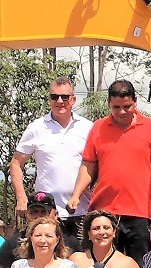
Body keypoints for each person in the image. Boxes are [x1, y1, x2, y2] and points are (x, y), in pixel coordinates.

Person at [69, 79, 151, 263]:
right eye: (116, 107)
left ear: (135, 102)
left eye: (127, 106)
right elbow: (89, 164)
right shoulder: (98, 128)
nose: (122, 112)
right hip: (105, 211)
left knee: (141, 267)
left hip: (141, 211)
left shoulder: (150, 127)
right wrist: (76, 194)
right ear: (109, 103)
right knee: (99, 265)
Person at [10, 76, 94, 248]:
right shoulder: (36, 127)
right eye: (54, 97)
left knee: (81, 262)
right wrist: (21, 198)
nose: (60, 101)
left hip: (81, 212)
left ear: (73, 99)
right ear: (49, 99)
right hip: (45, 214)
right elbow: (16, 163)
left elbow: (98, 165)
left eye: (65, 97)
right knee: (46, 262)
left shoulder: (88, 127)